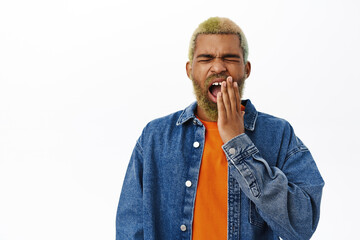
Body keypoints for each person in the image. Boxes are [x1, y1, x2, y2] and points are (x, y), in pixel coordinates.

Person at [116, 17, 324, 240]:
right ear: (190, 69)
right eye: (206, 59)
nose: (218, 67)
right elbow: (130, 228)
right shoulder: (155, 137)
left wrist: (238, 142)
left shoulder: (279, 134)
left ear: (246, 69)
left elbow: (303, 225)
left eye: (230, 58)